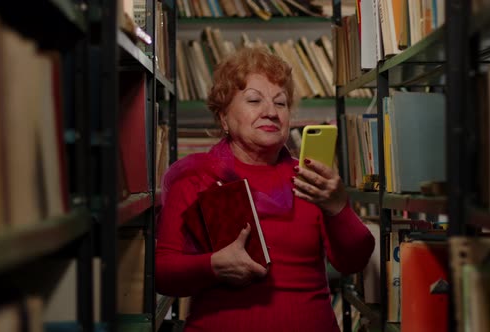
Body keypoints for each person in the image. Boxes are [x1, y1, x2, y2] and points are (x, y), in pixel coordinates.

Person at [155, 47, 375, 332]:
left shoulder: (311, 179)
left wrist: (338, 207)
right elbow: (162, 274)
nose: (270, 112)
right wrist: (212, 266)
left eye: (281, 103)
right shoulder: (196, 178)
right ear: (223, 117)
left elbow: (353, 261)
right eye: (254, 100)